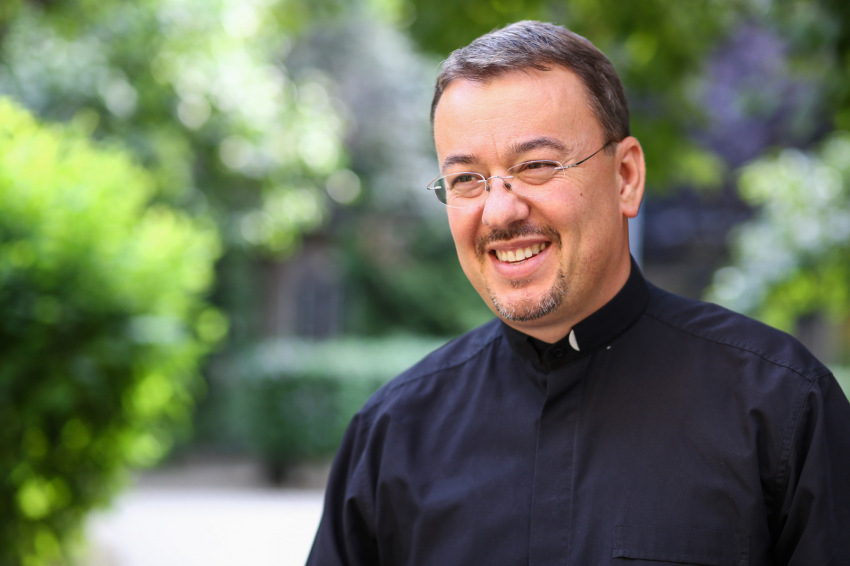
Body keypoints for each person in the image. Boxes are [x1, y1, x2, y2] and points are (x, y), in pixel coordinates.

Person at [306, 21, 850, 565]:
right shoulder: (391, 435)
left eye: (536, 166)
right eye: (467, 179)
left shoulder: (781, 409)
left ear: (626, 177)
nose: (499, 212)